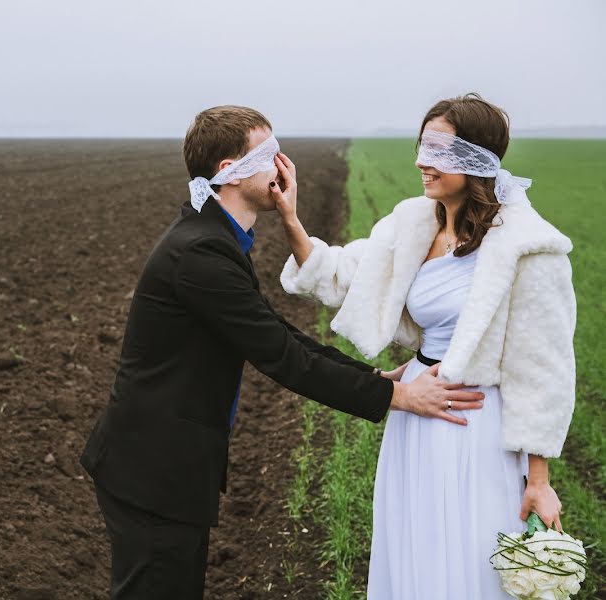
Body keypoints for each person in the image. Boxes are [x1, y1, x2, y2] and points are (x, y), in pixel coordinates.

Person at [79, 105, 485, 599]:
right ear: (230, 171)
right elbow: (284, 357)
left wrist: (379, 381)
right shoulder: (201, 254)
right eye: (268, 153)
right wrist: (399, 398)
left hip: (164, 469)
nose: (282, 164)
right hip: (152, 472)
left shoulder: (216, 239)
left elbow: (281, 335)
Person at [278, 93, 576, 599]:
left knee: (468, 558)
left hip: (476, 421)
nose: (421, 161)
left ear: (474, 158)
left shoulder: (529, 245)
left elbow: (542, 368)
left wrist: (538, 479)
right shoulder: (413, 222)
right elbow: (345, 274)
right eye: (422, 146)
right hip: (416, 412)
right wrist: (290, 219)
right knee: (415, 549)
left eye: (438, 150)